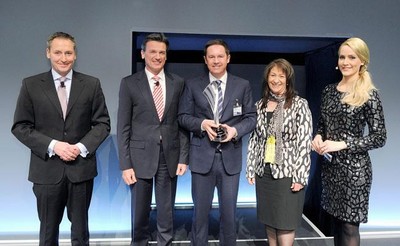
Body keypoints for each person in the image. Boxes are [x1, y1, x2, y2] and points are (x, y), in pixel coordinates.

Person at [11, 32, 111, 246]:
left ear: (75, 55)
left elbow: (102, 124)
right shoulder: (31, 85)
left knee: (81, 233)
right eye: (57, 52)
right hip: (46, 171)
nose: (63, 58)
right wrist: (54, 146)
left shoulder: (91, 84)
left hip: (81, 170)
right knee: (48, 233)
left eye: (68, 52)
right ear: (48, 53)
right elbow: (20, 127)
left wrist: (81, 147)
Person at [178, 39, 256, 246]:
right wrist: (203, 124)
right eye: (211, 57)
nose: (216, 60)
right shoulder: (193, 84)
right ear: (205, 60)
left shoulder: (242, 85)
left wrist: (234, 131)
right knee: (200, 217)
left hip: (230, 159)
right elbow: (183, 117)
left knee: (229, 218)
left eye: (220, 56)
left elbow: (251, 118)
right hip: (202, 157)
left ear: (228, 58)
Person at [311, 37, 387, 246]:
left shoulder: (368, 94)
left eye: (351, 57)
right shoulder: (328, 91)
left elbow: (380, 137)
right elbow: (322, 125)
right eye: (342, 57)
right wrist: (318, 137)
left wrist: (343, 144)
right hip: (331, 169)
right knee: (336, 223)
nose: (346, 62)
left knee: (349, 226)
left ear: (362, 61)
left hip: (355, 171)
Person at [117, 33, 189, 246]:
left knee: (166, 212)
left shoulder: (178, 83)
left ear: (166, 56)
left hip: (170, 156)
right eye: (153, 52)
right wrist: (125, 164)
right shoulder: (129, 84)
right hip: (139, 158)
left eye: (162, 53)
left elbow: (182, 122)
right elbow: (123, 127)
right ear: (143, 54)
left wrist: (184, 157)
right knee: (139, 213)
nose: (157, 56)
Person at [246, 58, 313, 246]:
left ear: (288, 79)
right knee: (270, 221)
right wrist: (251, 168)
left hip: (288, 173)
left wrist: (300, 176)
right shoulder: (260, 105)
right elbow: (255, 139)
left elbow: (304, 141)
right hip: (265, 172)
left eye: (281, 76)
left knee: (285, 223)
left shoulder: (299, 104)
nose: (276, 79)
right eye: (272, 75)